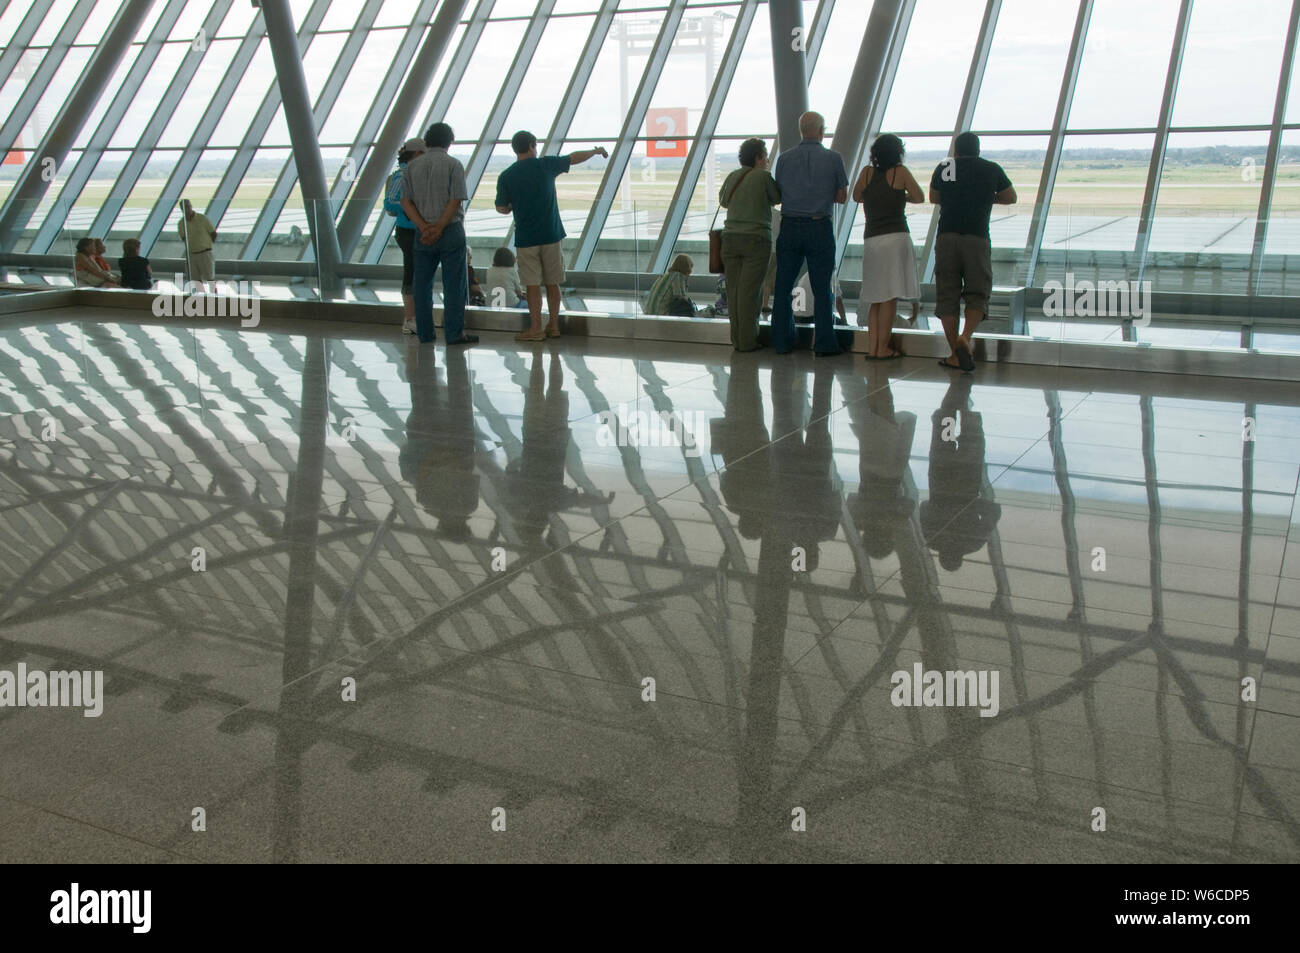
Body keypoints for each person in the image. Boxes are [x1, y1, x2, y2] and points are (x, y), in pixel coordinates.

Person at [494, 130, 607, 342]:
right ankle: (553, 325)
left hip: (526, 238)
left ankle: (535, 328)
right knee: (553, 282)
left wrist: (511, 207)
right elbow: (573, 158)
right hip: (551, 234)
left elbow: (501, 207)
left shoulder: (506, 175)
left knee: (532, 284)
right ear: (531, 145)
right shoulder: (545, 165)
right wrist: (595, 152)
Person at [929, 131, 1015, 372]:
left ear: (956, 151)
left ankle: (955, 355)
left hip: (947, 236)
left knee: (947, 295)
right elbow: (1011, 197)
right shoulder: (990, 168)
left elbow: (934, 197)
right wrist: (988, 199)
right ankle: (965, 337)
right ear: (978, 150)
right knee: (978, 292)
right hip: (977, 237)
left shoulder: (947, 166)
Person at [770, 111, 848, 356]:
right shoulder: (834, 159)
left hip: (790, 226)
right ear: (822, 131)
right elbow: (842, 197)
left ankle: (782, 341)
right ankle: (824, 343)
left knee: (783, 284)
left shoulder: (784, 159)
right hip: (819, 226)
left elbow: (779, 193)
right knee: (822, 286)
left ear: (801, 131)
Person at [400, 122, 478, 346]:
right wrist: (440, 227)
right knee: (454, 284)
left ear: (427, 141)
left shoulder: (411, 168)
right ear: (449, 142)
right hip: (450, 230)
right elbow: (456, 199)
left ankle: (425, 333)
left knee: (421, 284)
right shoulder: (453, 164)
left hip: (422, 234)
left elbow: (406, 202)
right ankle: (454, 333)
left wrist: (425, 227)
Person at [853, 133, 923, 360]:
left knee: (875, 295)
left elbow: (856, 196)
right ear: (898, 152)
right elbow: (919, 196)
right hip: (896, 238)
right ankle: (883, 348)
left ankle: (873, 348)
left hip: (872, 239)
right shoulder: (899, 172)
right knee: (890, 295)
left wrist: (875, 198)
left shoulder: (866, 173)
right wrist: (900, 197)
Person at [719, 137, 780, 352]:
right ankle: (747, 341)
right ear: (757, 157)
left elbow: (724, 201)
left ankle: (737, 339)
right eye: (765, 156)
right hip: (756, 240)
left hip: (730, 239)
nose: (767, 160)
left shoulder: (732, 176)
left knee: (734, 291)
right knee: (750, 292)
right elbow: (776, 198)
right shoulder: (763, 177)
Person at [384, 137, 426, 334]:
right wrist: (412, 208)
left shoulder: (405, 174)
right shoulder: (402, 175)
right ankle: (410, 318)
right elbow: (390, 203)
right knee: (412, 272)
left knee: (415, 272)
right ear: (416, 155)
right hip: (409, 230)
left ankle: (414, 317)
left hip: (412, 228)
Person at [177, 199, 217, 293]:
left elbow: (213, 233)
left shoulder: (202, 218)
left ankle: (214, 298)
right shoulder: (181, 223)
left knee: (210, 278)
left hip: (205, 252)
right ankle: (201, 297)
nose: (187, 209)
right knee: (195, 279)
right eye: (185, 207)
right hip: (192, 254)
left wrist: (205, 243)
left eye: (188, 206)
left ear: (191, 206)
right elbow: (184, 238)